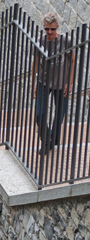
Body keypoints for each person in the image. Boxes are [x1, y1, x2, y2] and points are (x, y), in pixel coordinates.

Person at [32, 12, 76, 155]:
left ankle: (51, 139)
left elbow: (73, 60)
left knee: (60, 113)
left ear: (57, 27)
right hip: (43, 82)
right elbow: (36, 63)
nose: (49, 32)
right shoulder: (40, 41)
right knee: (39, 114)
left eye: (52, 29)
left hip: (61, 83)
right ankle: (47, 139)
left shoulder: (66, 41)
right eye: (46, 29)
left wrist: (69, 83)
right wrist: (34, 82)